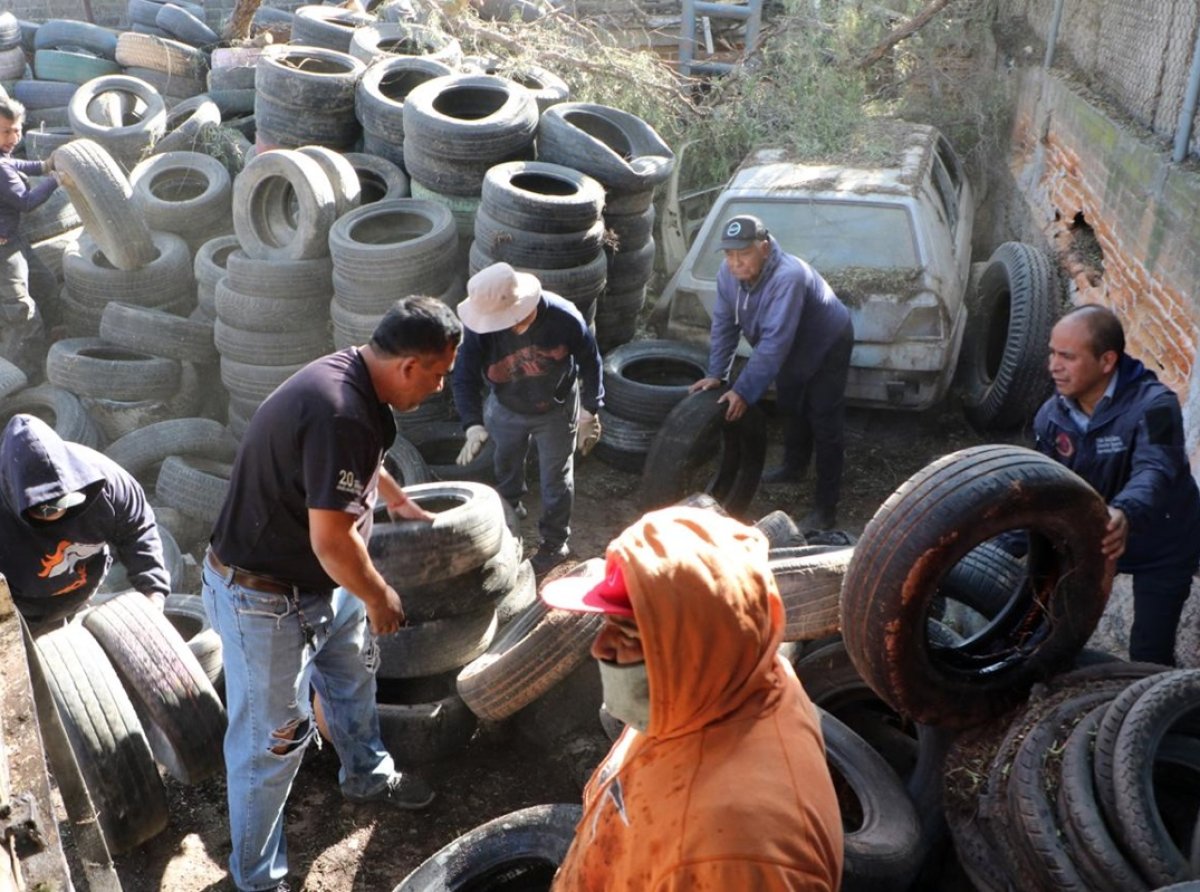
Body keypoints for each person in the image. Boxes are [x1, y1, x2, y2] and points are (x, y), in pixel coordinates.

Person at [202, 296, 461, 892]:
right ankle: (258, 879)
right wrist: (378, 595)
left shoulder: (354, 378)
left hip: (318, 584)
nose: (442, 386)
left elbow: (348, 461)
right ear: (408, 366)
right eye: (440, 372)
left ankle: (367, 776)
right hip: (264, 598)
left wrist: (391, 495)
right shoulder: (341, 409)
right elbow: (332, 540)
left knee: (350, 679)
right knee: (272, 744)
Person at [541, 506, 844, 890]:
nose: (600, 649)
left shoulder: (736, 851)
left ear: (703, 650)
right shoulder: (729, 681)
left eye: (630, 635)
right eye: (608, 624)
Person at [1035, 303, 1200, 665]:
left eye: (1067, 356)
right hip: (1097, 539)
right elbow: (1043, 488)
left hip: (1163, 543)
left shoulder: (1157, 405)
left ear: (1107, 361)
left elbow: (1156, 468)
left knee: (1148, 652)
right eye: (1052, 353)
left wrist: (1126, 510)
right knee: (1047, 634)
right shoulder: (1051, 416)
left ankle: (1163, 713)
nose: (1053, 366)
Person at [689, 214, 853, 532]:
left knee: (824, 419)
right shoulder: (728, 274)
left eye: (744, 253)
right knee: (790, 405)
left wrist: (744, 391)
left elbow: (775, 343)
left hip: (825, 342)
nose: (735, 262)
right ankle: (793, 467)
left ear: (764, 248)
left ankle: (825, 508)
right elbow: (724, 324)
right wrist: (718, 374)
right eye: (729, 254)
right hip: (788, 347)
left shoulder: (788, 276)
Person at [452, 262, 603, 577]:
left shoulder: (565, 318)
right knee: (505, 461)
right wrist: (473, 425)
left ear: (519, 310)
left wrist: (591, 408)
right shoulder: (480, 328)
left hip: (556, 408)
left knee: (556, 479)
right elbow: (463, 376)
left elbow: (591, 360)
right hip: (505, 406)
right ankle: (511, 507)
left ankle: (554, 543)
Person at [0, 413, 170, 624]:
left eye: (65, 502)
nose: (58, 512)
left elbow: (137, 530)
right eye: (45, 508)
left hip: (84, 588)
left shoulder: (107, 482)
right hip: (20, 609)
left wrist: (153, 591)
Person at [0, 97, 59, 378]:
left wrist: (44, 165)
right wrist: (56, 180)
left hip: (13, 240)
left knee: (45, 283)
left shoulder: (3, 159)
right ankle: (21, 378)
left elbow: (14, 166)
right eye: (5, 131)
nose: (13, 137)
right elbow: (25, 201)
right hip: (3, 250)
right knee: (20, 312)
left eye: (17, 130)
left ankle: (51, 344)